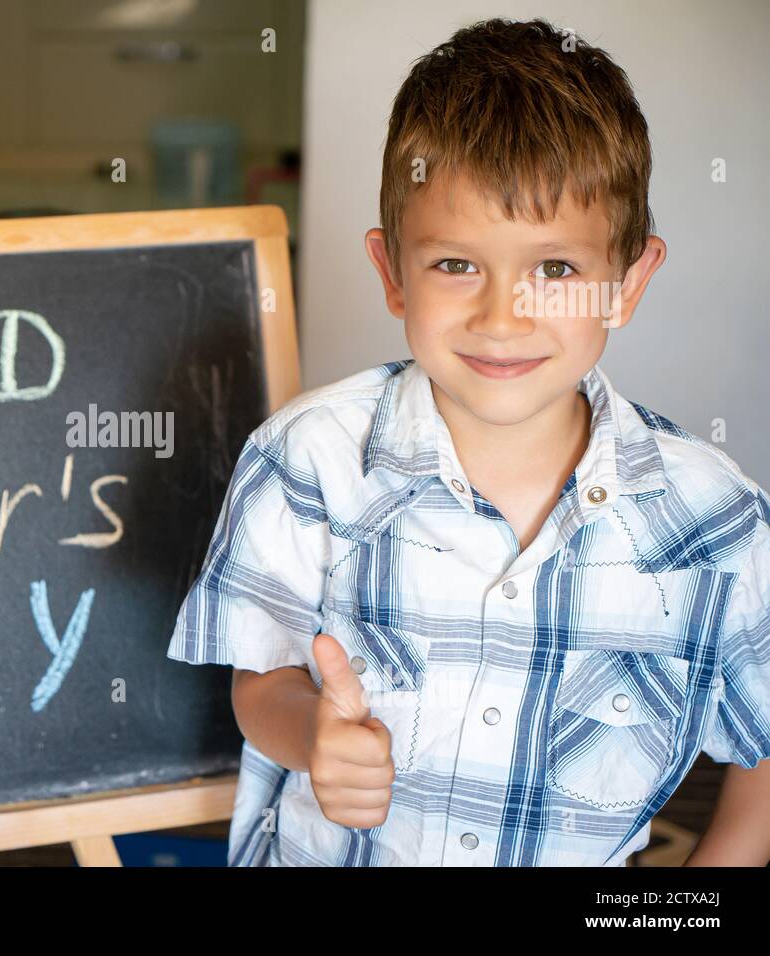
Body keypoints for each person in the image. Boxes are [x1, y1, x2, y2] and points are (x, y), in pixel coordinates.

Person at [167, 18, 770, 866]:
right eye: (456, 265)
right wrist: (311, 737)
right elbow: (261, 680)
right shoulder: (307, 461)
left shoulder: (718, 525)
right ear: (392, 273)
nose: (501, 316)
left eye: (555, 270)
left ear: (625, 286)